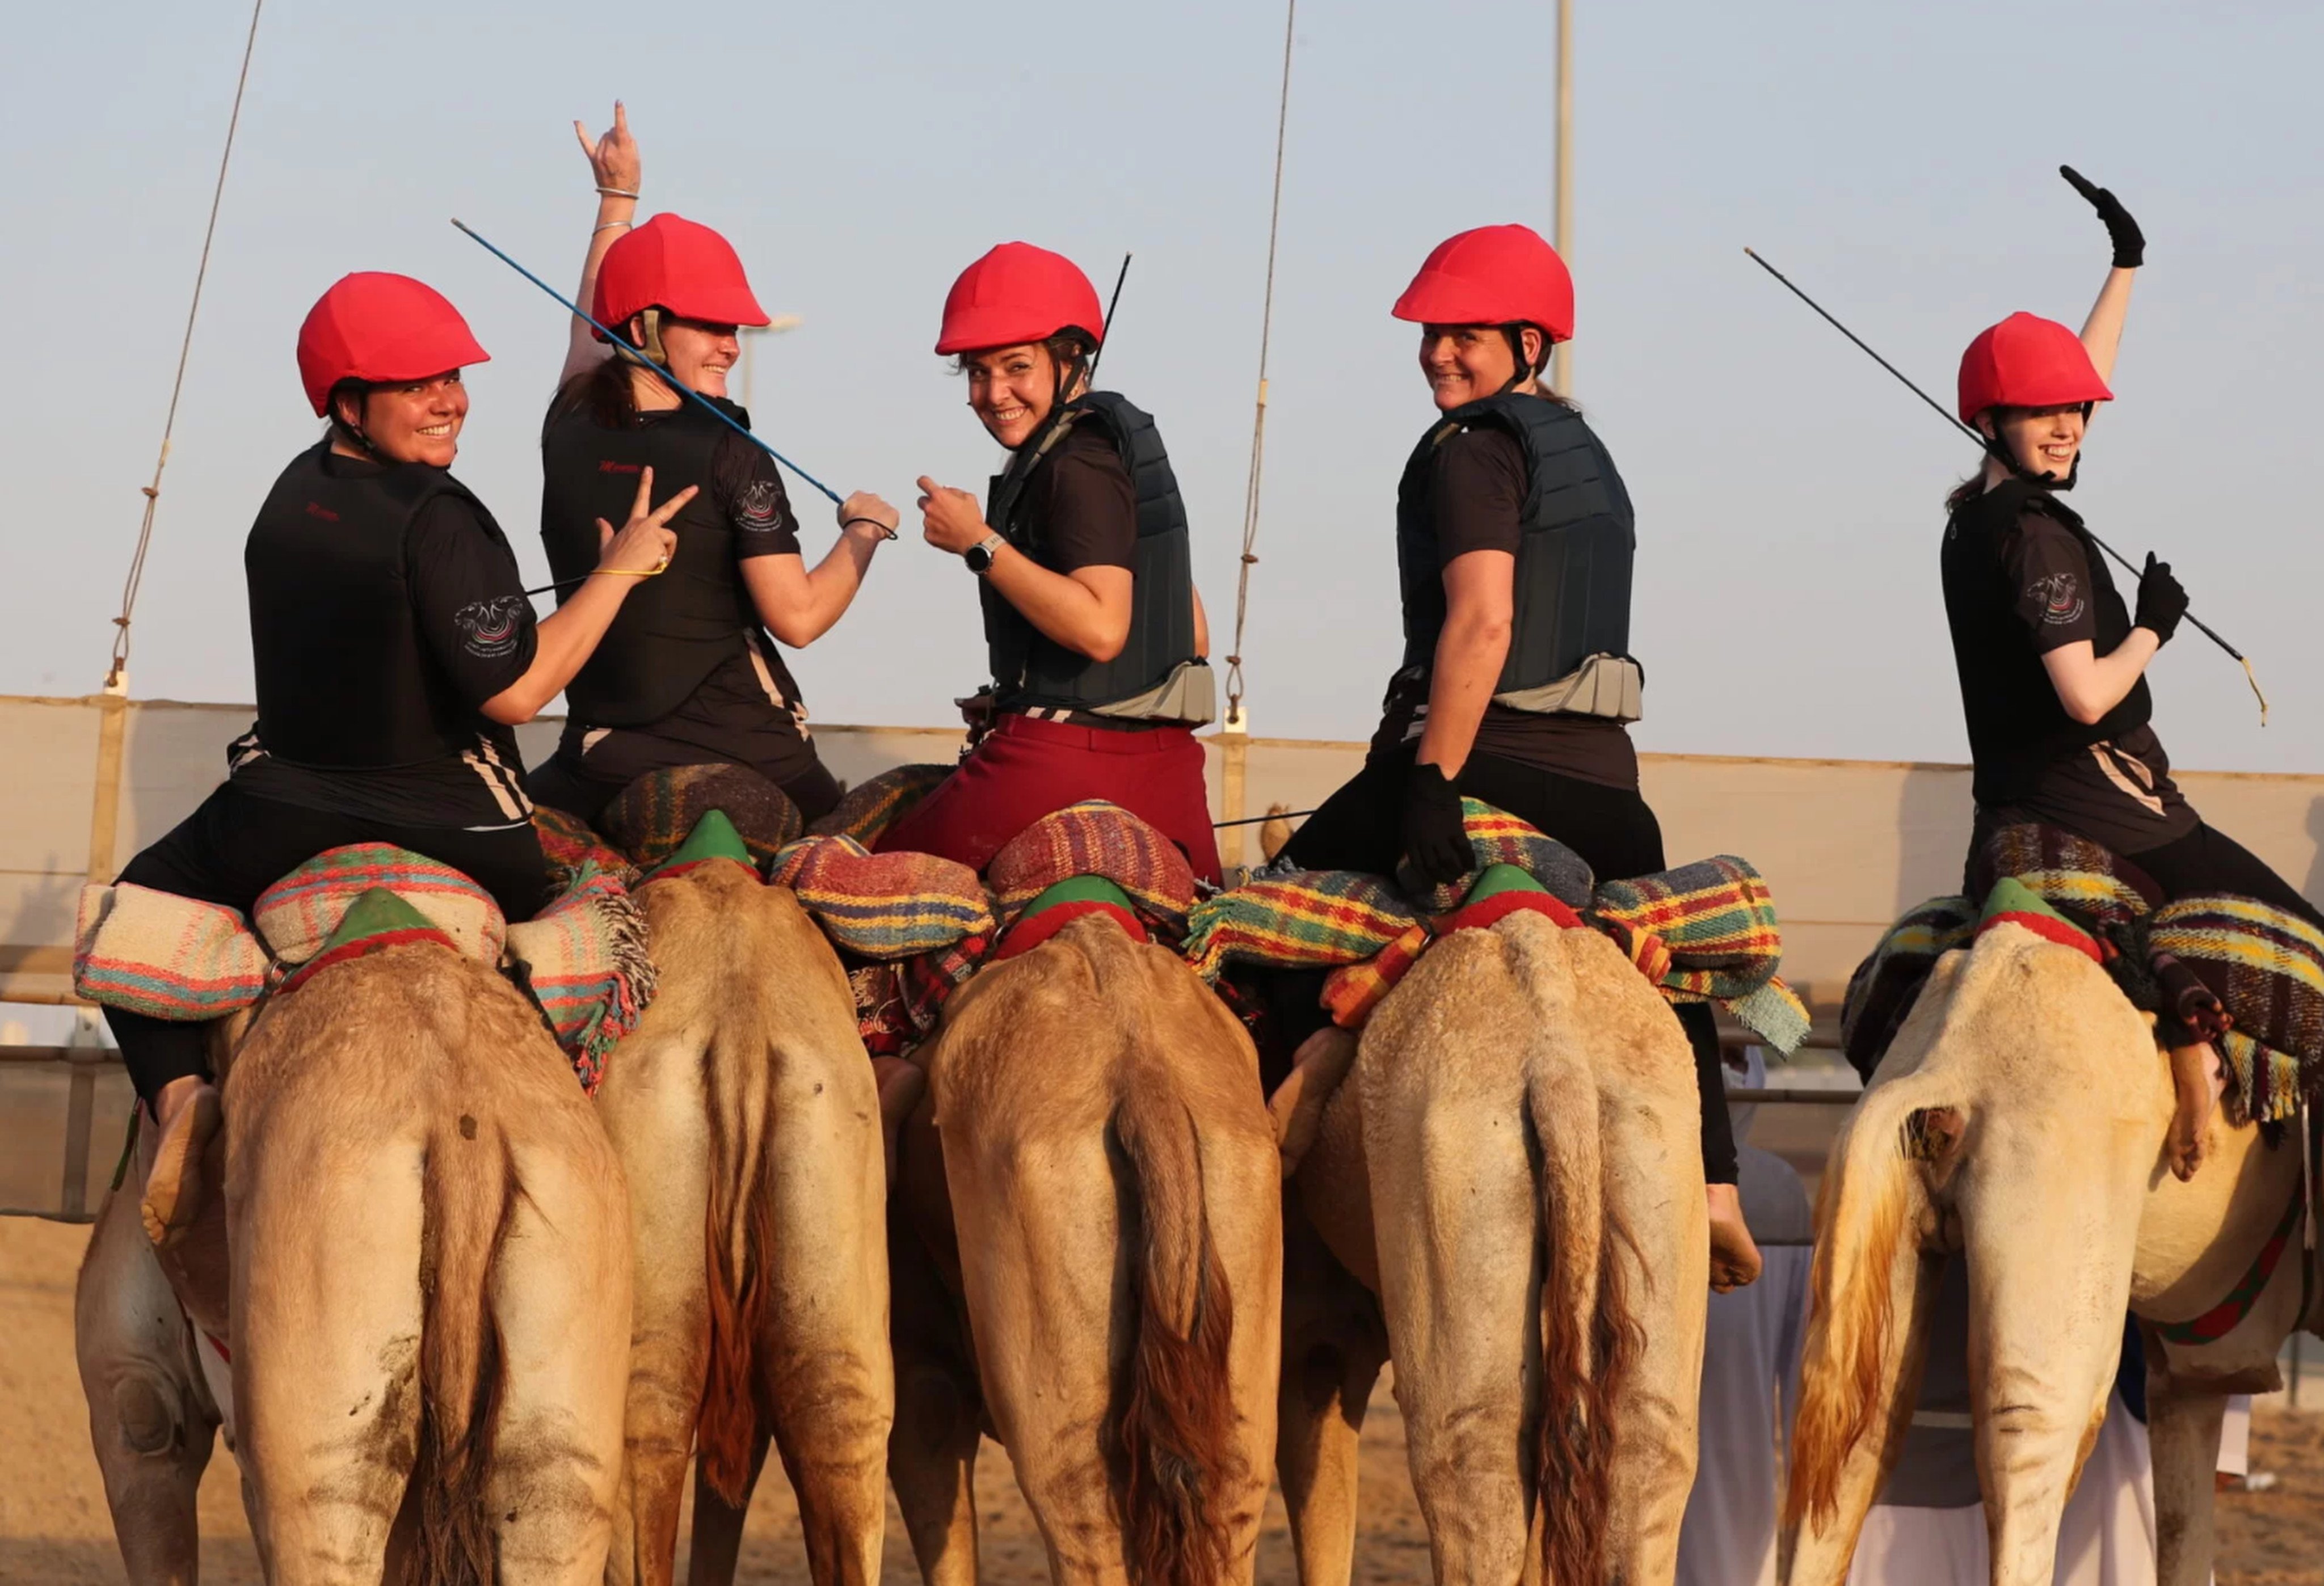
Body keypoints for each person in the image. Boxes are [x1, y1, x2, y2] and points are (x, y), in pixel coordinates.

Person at [115, 270, 688, 1242]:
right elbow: (515, 690)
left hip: (277, 822)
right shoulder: (442, 516)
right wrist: (621, 573)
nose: (448, 399)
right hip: (463, 833)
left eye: (452, 376)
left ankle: (178, 1104)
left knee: (144, 897)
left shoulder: (290, 496)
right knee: (612, 902)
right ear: (349, 401)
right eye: (417, 384)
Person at [1274, 223, 1760, 1287]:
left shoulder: (1475, 448)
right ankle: (1713, 1188)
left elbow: (1483, 624)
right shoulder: (1595, 462)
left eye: (1466, 334)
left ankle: (1261, 1205)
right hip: (1608, 797)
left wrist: (1432, 778)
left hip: (1486, 770)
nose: (1440, 352)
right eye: (1432, 333)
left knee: (1264, 925)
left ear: (1529, 341)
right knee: (1656, 951)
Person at [1939, 166, 2324, 1180]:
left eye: (2078, 410)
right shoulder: (2038, 541)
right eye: (2044, 414)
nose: (2068, 424)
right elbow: (2085, 694)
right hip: (2115, 812)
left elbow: (2066, 385)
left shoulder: (1973, 515)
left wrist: (2125, 265)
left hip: (2002, 810)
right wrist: (2153, 627)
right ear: (1992, 421)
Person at [527, 104, 899, 827]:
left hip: (600, 759)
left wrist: (616, 202)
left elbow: (590, 327)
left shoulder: (566, 421)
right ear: (646, 330)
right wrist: (862, 534)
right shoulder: (734, 452)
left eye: (732, 327)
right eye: (709, 325)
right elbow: (796, 618)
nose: (730, 345)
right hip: (751, 753)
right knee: (875, 850)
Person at [875, 242, 1220, 880]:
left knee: (844, 879)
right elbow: (1190, 634)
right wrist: (1021, 694)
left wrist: (977, 542)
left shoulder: (1073, 465)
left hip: (1056, 767)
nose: (994, 392)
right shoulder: (1119, 449)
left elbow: (1100, 630)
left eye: (1015, 368)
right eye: (977, 373)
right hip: (1170, 779)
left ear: (1069, 360)